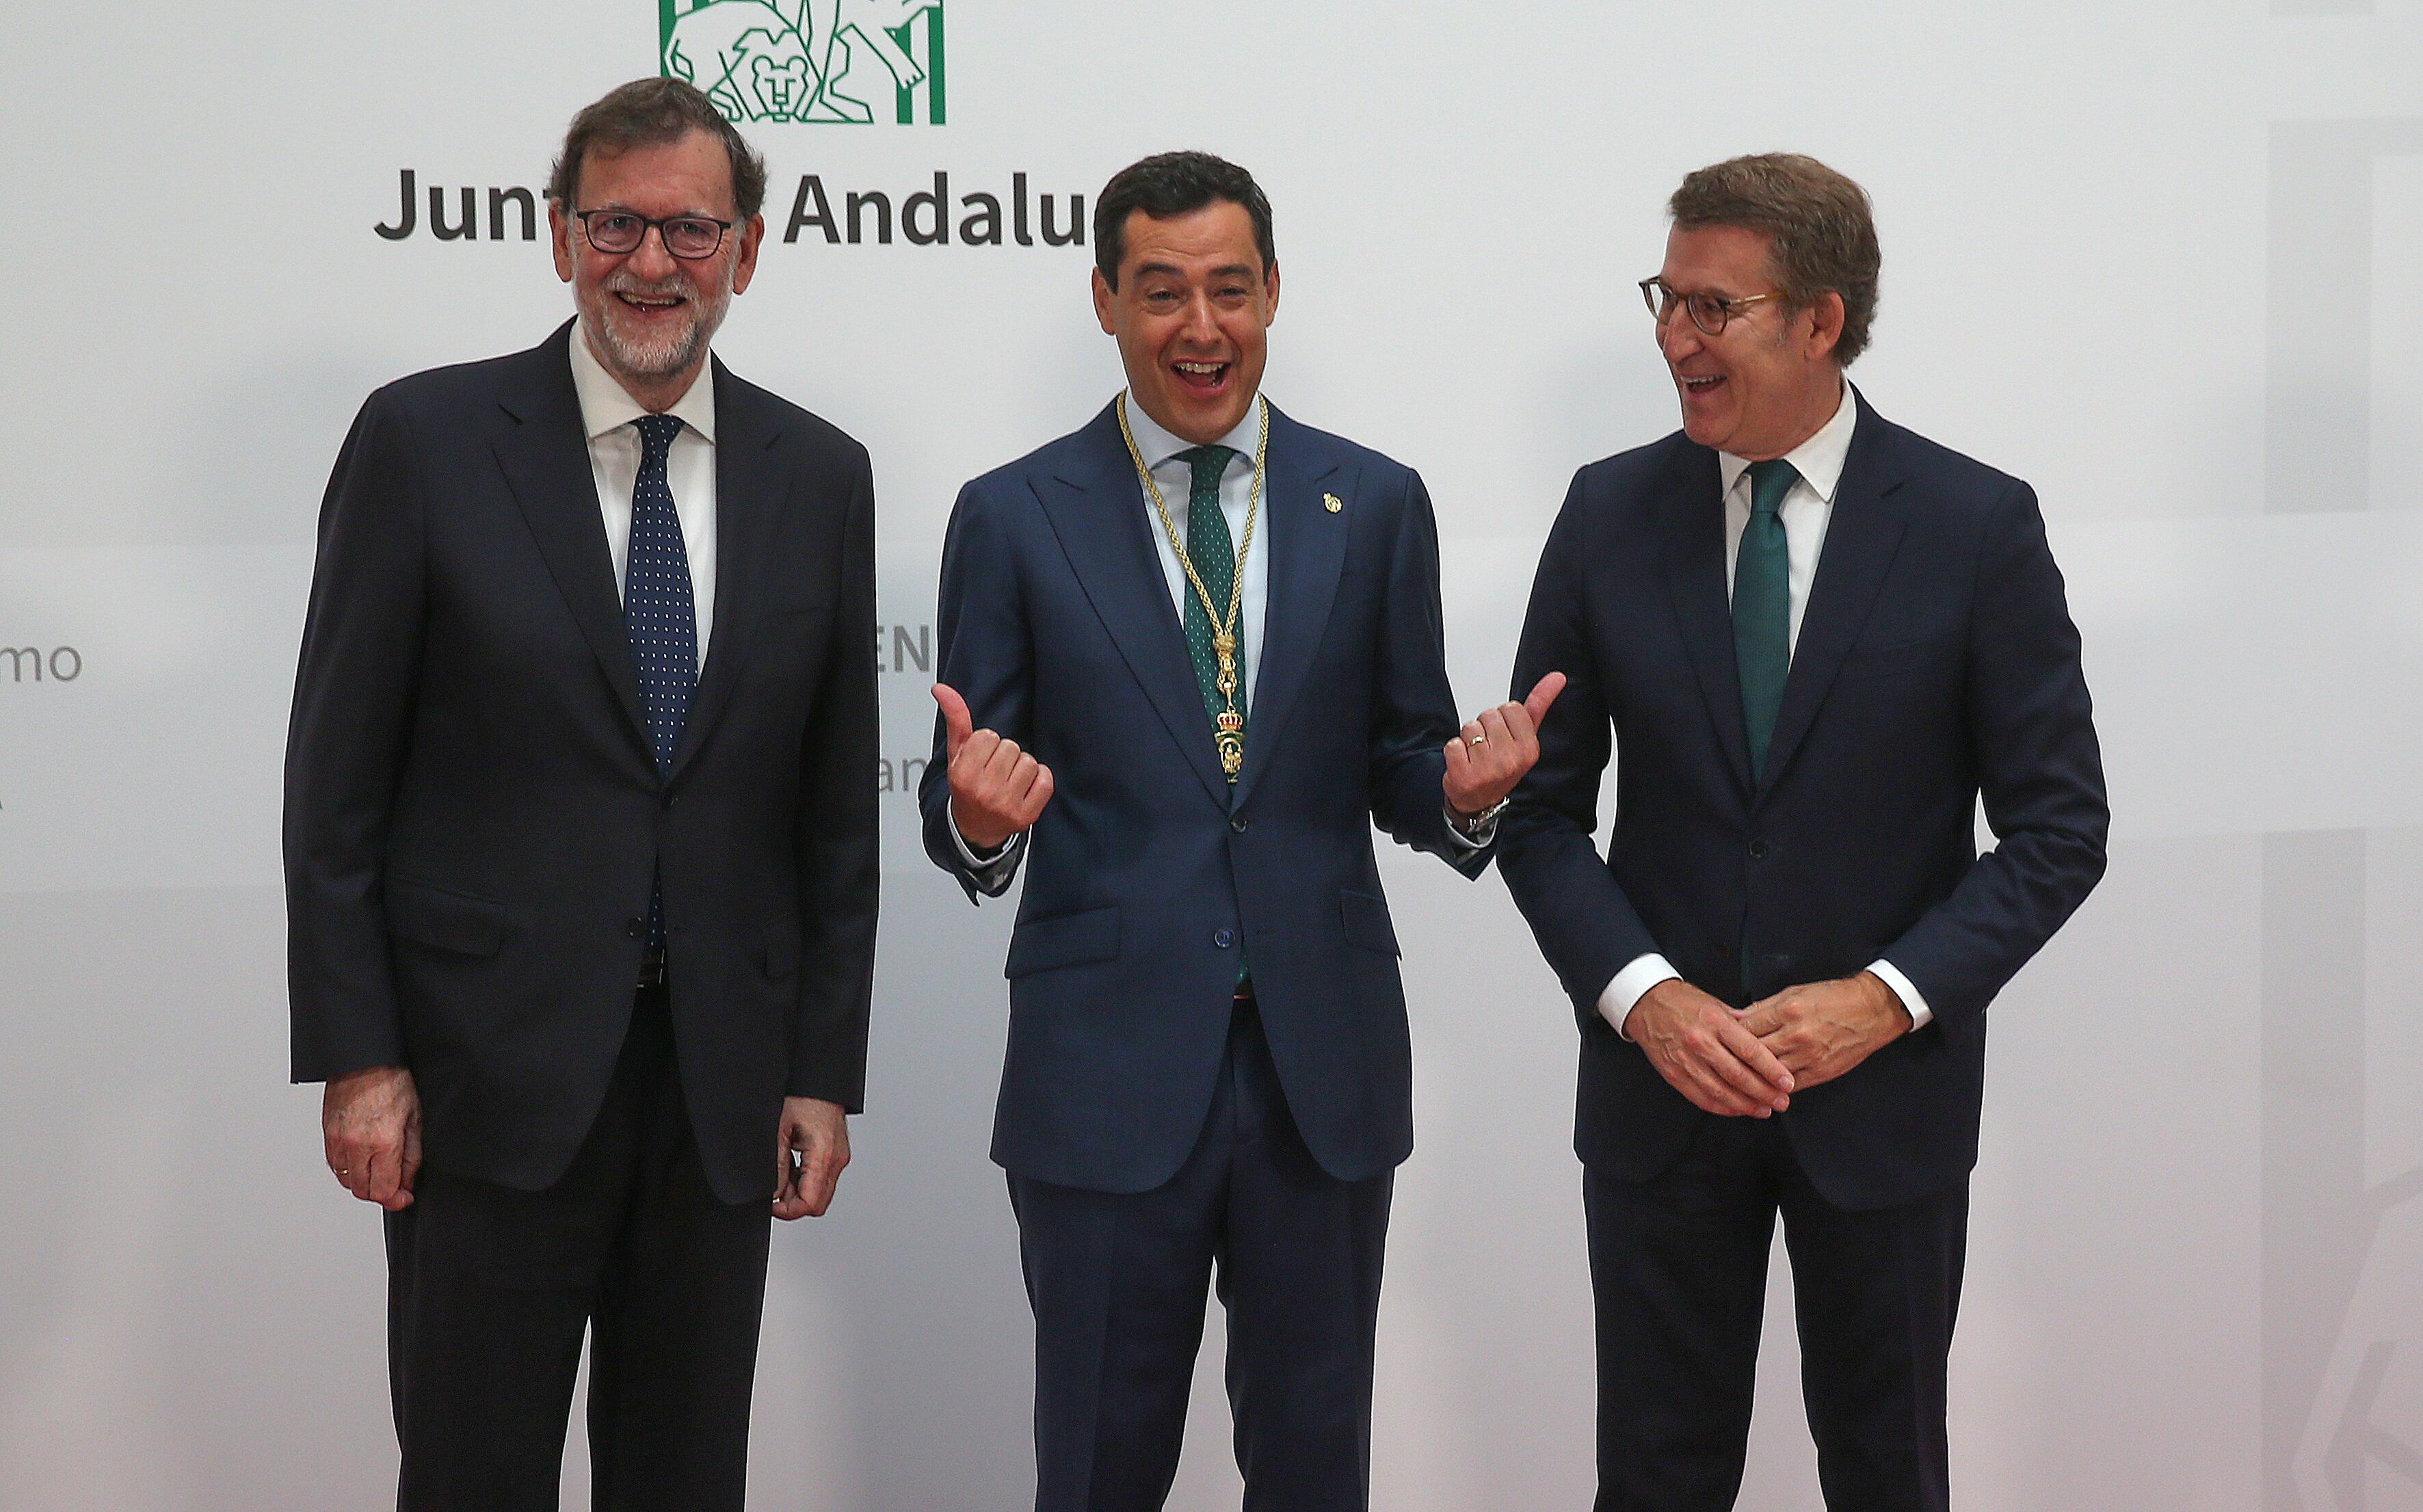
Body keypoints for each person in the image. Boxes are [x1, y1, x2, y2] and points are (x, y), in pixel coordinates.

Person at [918, 150, 1557, 1511]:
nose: (1197, 326)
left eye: (1226, 288)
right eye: (1160, 292)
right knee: (1095, 1466)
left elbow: (1398, 755)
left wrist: (1460, 791)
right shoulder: (1015, 514)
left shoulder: (1371, 501)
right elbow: (965, 782)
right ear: (1104, 299)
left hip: (1314, 1070)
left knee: (1315, 1466)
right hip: (1101, 1073)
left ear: (1271, 292)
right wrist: (976, 821)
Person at [283, 77, 879, 1510]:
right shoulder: (425, 442)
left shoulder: (822, 474)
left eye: (689, 228)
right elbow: (334, 786)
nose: (650, 262)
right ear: (559, 237)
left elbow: (832, 815)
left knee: (684, 1482)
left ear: (747, 248)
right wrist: (359, 1056)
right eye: (616, 222)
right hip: (484, 1085)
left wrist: (818, 1066)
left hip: (718, 1091)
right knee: (473, 1477)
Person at [1497, 153, 2108, 1511]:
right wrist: (1642, 998)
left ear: (1818, 319)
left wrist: (1881, 1002)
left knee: (1888, 1476)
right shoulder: (1607, 512)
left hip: (1879, 1108)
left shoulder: (1971, 524)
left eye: (1712, 306)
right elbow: (1538, 814)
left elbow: (2059, 828)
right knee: (1651, 1480)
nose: (1671, 337)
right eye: (1664, 297)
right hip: (1659, 1101)